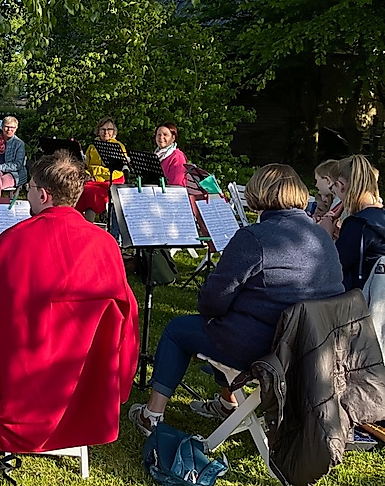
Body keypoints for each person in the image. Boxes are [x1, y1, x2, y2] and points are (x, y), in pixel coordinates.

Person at [129, 164, 345, 435]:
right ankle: (227, 402)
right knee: (232, 324)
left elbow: (211, 303)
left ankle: (152, 414)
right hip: (312, 348)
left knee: (178, 330)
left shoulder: (254, 237)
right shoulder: (322, 236)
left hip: (267, 349)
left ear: (258, 195)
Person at [0, 151, 139, 453]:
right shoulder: (105, 244)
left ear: (43, 194)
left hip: (22, 393)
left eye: (28, 188)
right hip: (85, 393)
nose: (27, 193)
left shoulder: (12, 240)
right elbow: (125, 322)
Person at [327, 155, 384, 291]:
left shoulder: (358, 223)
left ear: (340, 185)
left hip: (360, 301)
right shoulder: (378, 217)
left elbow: (334, 269)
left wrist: (326, 236)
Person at [75, 116, 127, 220]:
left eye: (109, 129)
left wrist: (96, 175)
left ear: (114, 132)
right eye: (103, 129)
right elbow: (86, 166)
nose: (106, 132)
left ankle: (91, 223)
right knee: (77, 188)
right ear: (98, 131)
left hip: (111, 180)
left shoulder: (118, 147)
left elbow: (118, 171)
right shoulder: (92, 147)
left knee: (91, 192)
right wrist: (88, 175)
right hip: (93, 180)